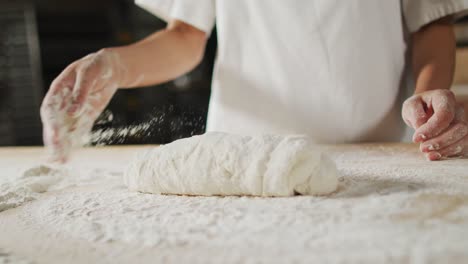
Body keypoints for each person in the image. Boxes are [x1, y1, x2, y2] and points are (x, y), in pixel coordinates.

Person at [40, 0, 468, 162]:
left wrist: (428, 93)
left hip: (379, 155)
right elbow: (187, 36)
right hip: (242, 161)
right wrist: (113, 66)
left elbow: (430, 22)